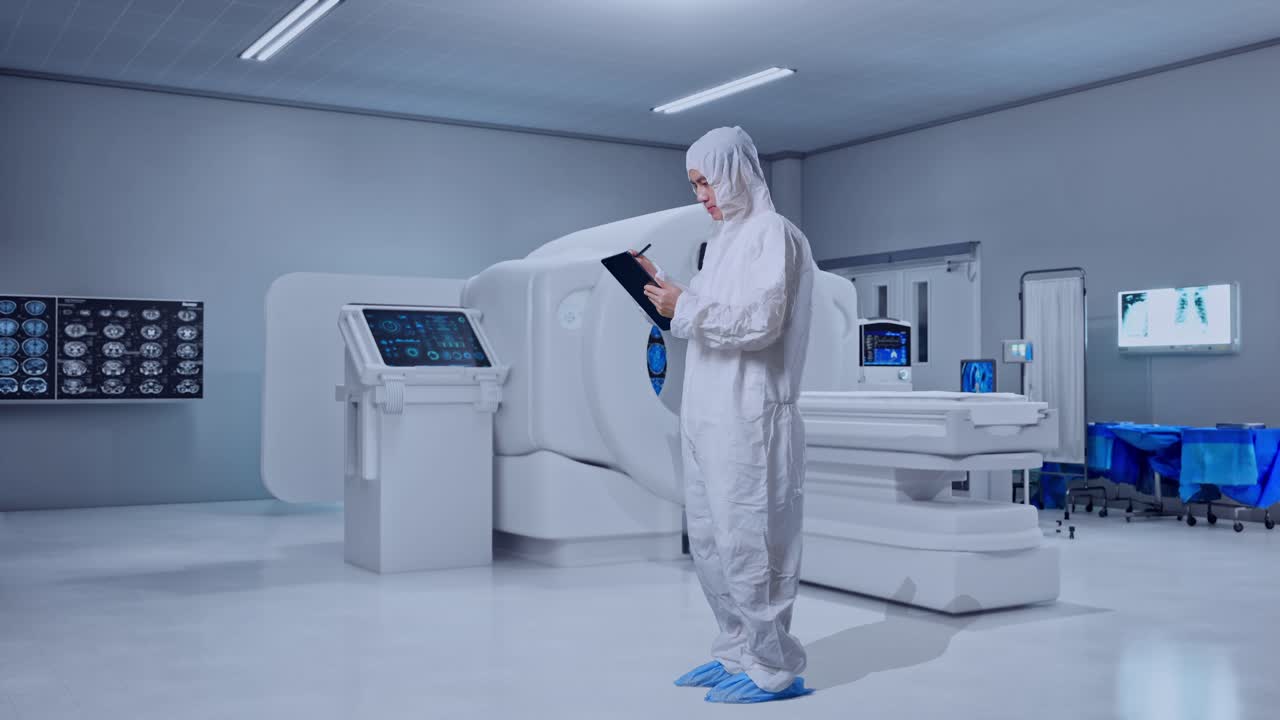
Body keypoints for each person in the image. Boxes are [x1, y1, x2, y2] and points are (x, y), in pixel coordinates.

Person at [635, 126, 816, 704]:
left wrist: (684, 306)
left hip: (752, 416)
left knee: (751, 540)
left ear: (735, 171)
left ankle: (773, 666)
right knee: (712, 542)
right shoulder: (723, 243)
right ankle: (737, 651)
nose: (702, 196)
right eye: (694, 186)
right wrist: (672, 295)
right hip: (708, 412)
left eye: (705, 182)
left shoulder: (774, 235)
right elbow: (714, 315)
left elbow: (760, 324)